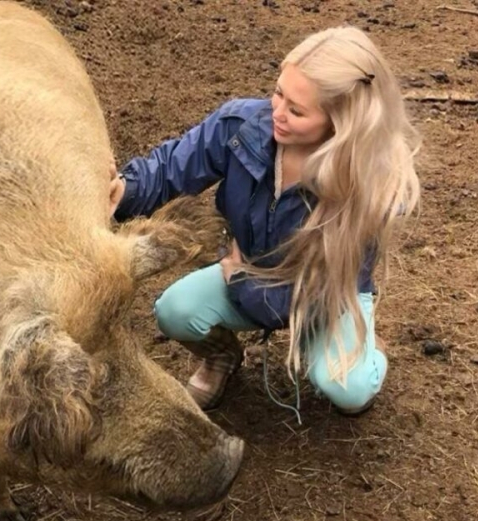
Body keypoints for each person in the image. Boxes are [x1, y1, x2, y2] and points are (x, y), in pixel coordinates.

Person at [110, 26, 421, 415]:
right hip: (247, 266)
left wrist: (240, 280)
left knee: (348, 390)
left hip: (325, 297)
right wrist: (125, 190)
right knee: (175, 311)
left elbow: (314, 298)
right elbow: (175, 164)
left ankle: (366, 352)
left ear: (340, 123)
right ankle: (221, 357)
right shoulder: (243, 127)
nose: (276, 113)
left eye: (296, 110)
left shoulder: (369, 190)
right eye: (278, 93)